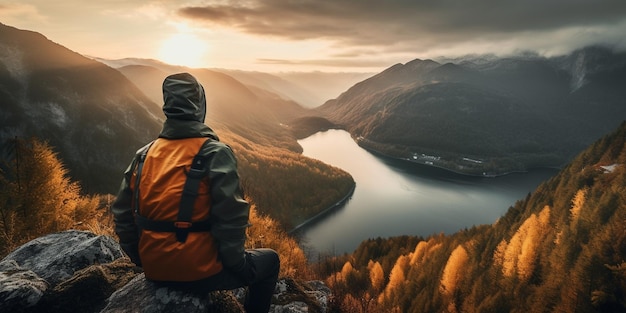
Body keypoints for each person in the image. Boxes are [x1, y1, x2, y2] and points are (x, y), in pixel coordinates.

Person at [111, 72, 279, 313]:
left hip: (154, 270)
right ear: (200, 107)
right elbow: (231, 219)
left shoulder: (144, 155)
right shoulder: (215, 153)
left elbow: (122, 214)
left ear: (167, 107)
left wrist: (141, 259)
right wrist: (239, 265)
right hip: (200, 273)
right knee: (270, 261)